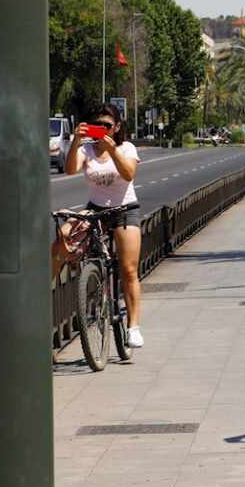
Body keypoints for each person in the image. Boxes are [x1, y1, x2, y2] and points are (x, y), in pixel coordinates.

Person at [64, 103, 145, 349]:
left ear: (117, 127)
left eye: (107, 125)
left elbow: (129, 173)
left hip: (124, 210)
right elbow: (69, 170)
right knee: (64, 234)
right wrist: (76, 142)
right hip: (96, 210)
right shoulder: (86, 149)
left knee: (129, 270)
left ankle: (133, 327)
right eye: (96, 125)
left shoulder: (126, 147)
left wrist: (113, 151)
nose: (102, 130)